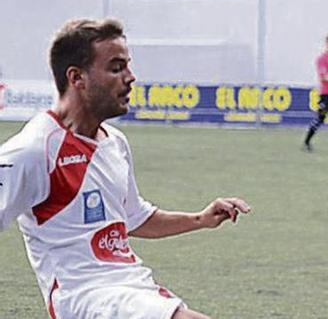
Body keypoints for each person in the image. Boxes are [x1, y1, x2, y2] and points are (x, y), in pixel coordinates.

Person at [0, 18, 251, 319]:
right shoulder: (33, 149)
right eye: (116, 68)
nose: (130, 77)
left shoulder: (114, 143)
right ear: (77, 77)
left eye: (128, 66)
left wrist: (200, 218)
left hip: (136, 287)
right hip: (87, 300)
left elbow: (134, 217)